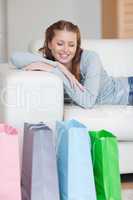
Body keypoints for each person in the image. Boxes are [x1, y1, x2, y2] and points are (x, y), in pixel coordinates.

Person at [11, 20, 133, 108]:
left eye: (71, 45)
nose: (66, 49)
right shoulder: (49, 64)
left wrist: (58, 71)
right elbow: (15, 57)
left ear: (77, 46)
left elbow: (88, 101)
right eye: (60, 44)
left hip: (127, 91)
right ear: (49, 44)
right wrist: (58, 68)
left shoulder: (90, 58)